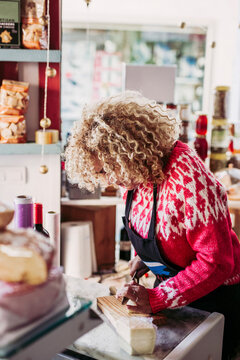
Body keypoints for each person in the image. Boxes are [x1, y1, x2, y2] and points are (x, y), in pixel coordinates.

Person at [65, 91, 240, 360]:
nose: (110, 178)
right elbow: (156, 227)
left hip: (216, 298)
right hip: (178, 294)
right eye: (101, 173)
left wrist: (158, 298)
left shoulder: (190, 182)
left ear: (129, 149)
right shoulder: (135, 174)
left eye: (110, 167)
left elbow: (217, 262)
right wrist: (143, 258)